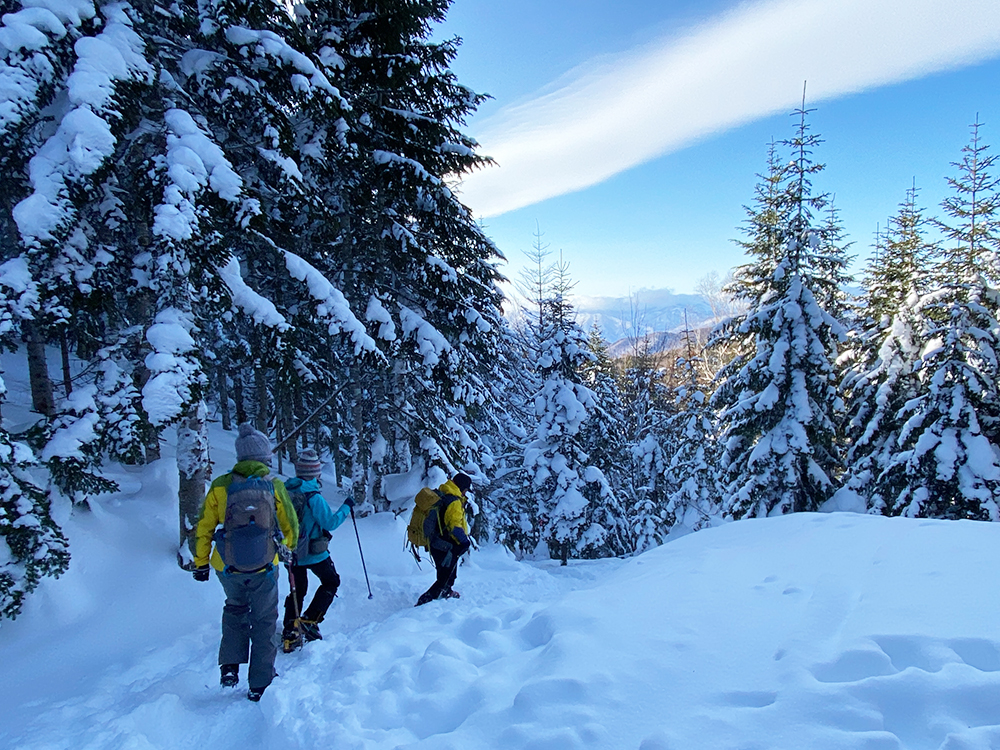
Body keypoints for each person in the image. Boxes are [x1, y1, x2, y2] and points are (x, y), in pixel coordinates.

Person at [192, 423, 298, 702]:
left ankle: (229, 667)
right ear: (264, 458)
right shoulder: (274, 486)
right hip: (264, 565)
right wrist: (288, 549)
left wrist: (201, 562)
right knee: (263, 620)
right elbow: (291, 526)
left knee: (235, 609)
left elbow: (203, 527)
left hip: (227, 565)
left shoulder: (220, 486)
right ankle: (260, 683)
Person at [281, 448, 355, 652]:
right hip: (314, 550)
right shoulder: (313, 496)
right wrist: (347, 506)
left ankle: (290, 629)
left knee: (298, 589)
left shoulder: (286, 491)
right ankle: (309, 621)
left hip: (291, 551)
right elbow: (330, 522)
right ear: (315, 473)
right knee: (331, 581)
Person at [415, 472, 472, 606]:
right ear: (462, 487)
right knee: (444, 577)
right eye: (465, 489)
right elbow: (454, 525)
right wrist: (464, 541)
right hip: (446, 544)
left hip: (438, 542)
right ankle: (424, 603)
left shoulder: (445, 494)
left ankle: (446, 592)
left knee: (447, 574)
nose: (465, 493)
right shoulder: (454, 501)